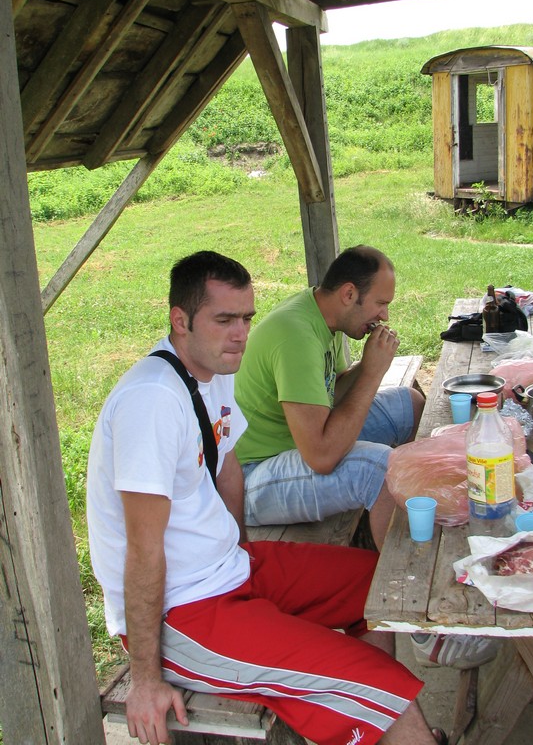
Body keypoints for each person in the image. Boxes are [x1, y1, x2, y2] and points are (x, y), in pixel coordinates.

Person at [87, 250, 447, 745]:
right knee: (381, 686)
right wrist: (146, 680)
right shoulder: (151, 401)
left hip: (230, 568)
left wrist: (238, 551)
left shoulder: (212, 371)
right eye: (224, 320)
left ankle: (372, 722)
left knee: (382, 586)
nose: (240, 334)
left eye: (246, 318)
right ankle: (384, 713)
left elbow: (229, 470)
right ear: (180, 320)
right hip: (183, 613)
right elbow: (142, 550)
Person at [235, 244, 499, 671]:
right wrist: (373, 371)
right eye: (380, 303)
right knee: (381, 469)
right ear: (348, 294)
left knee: (409, 405)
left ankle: (427, 526)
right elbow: (321, 455)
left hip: (299, 443)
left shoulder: (325, 317)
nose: (385, 315)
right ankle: (418, 609)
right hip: (253, 477)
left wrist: (366, 367)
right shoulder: (295, 334)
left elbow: (330, 394)